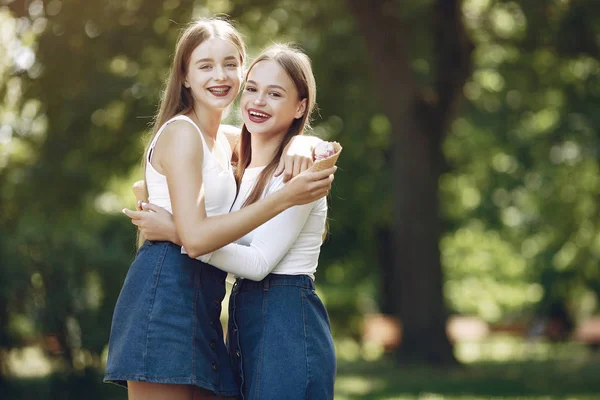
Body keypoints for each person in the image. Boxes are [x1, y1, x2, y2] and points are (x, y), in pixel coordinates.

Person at [104, 18, 335, 400]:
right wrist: (287, 195)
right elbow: (195, 238)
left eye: (230, 64)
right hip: (166, 296)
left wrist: (306, 143)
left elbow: (279, 136)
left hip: (206, 300)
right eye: (205, 65)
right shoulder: (183, 133)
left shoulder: (224, 140)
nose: (220, 75)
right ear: (184, 76)